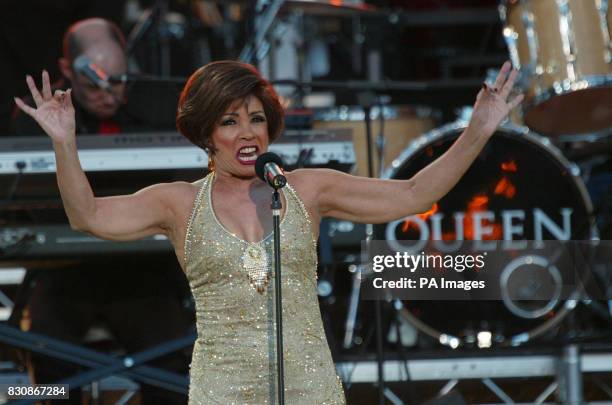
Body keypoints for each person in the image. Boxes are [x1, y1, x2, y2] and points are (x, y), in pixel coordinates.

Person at [14, 59, 523, 403]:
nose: (248, 133)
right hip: (223, 389)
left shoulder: (305, 187)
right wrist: (64, 143)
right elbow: (89, 217)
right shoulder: (178, 201)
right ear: (206, 133)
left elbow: (414, 194)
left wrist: (478, 129)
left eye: (256, 119)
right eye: (231, 121)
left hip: (308, 385)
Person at [10, 18, 192, 405]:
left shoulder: (161, 106)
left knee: (171, 367)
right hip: (68, 268)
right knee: (46, 358)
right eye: (94, 84)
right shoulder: (44, 114)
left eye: (119, 80)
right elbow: (32, 203)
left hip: (144, 271)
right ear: (65, 71)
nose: (110, 94)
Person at [10, 18, 148, 135]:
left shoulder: (150, 102)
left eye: (117, 82)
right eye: (93, 87)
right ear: (66, 69)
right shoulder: (37, 114)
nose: (109, 99)